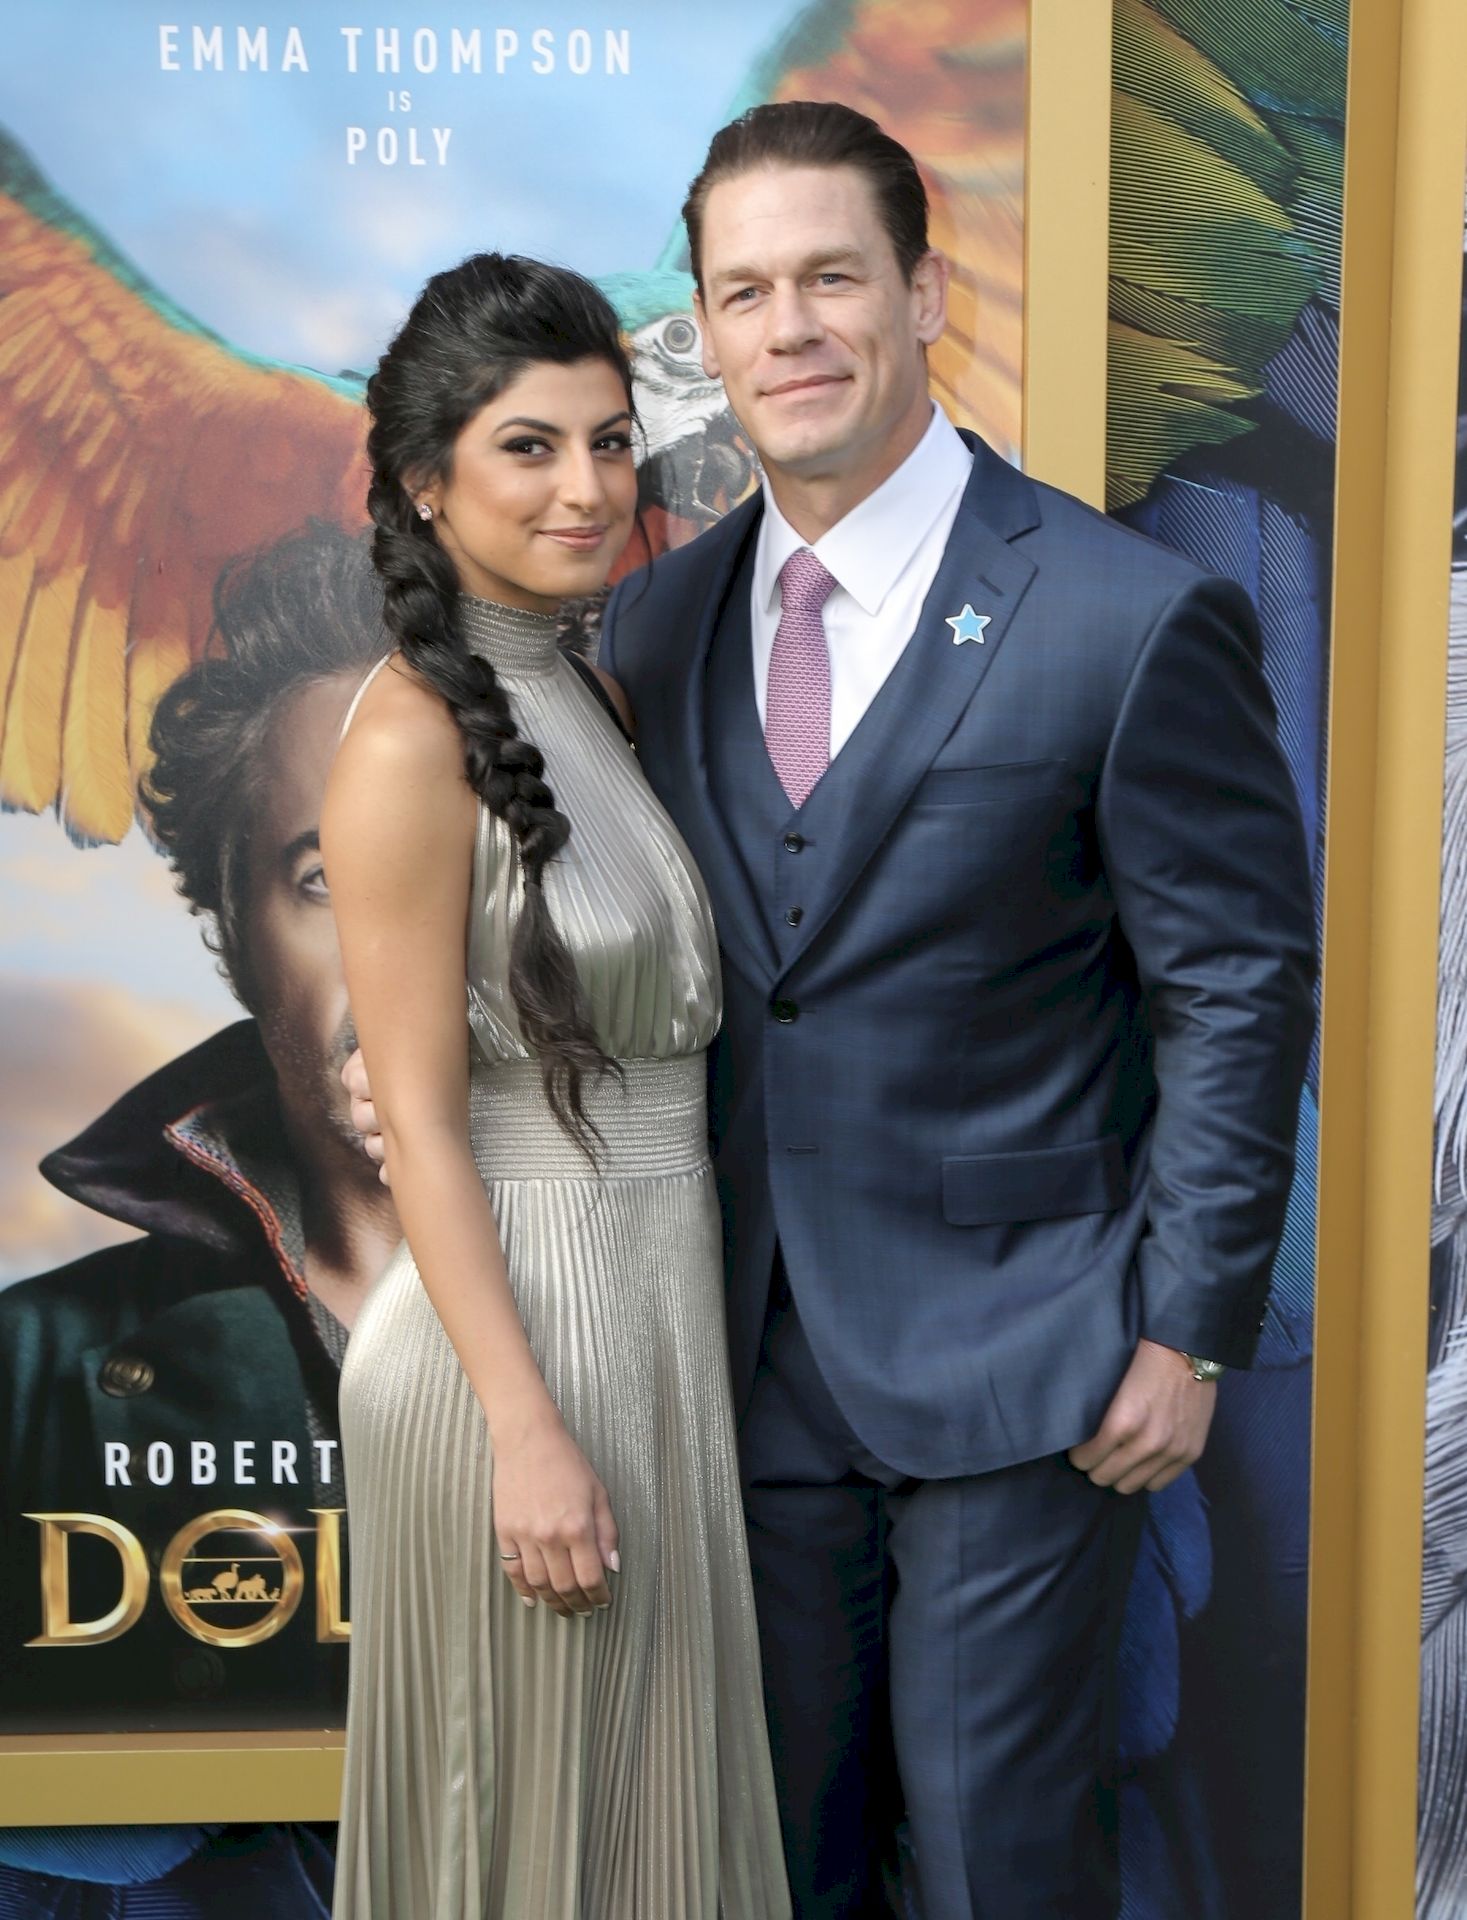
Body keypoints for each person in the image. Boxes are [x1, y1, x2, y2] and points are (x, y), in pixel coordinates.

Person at [593, 103, 1317, 1920]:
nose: (790, 329)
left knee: (1003, 1872)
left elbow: (1237, 988)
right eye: (744, 292)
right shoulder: (655, 629)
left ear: (925, 295)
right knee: (781, 1872)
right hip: (743, 1370)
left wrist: (1187, 1331)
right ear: (706, 332)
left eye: (832, 277)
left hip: (1032, 1364)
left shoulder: (1127, 615)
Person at [322, 254, 788, 1919]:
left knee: (644, 1839)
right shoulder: (407, 740)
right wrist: (526, 1433)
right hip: (517, 1347)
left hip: (651, 1313)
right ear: (422, 483)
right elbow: (422, 1126)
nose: (588, 489)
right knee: (524, 1844)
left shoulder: (585, 687)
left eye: (608, 441)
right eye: (529, 447)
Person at [0, 522, 396, 1914]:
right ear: (233, 928)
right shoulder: (29, 1382)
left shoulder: (767, 1349)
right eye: (327, 881)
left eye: (471, 862)